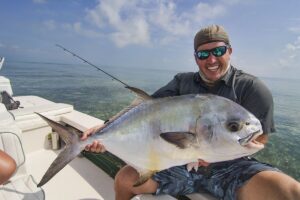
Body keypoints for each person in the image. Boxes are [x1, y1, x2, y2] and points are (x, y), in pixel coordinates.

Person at [82, 25, 300, 200]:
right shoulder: (181, 81)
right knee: (124, 180)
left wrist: (216, 153)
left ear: (230, 51)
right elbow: (144, 107)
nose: (211, 59)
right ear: (196, 57)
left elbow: (260, 138)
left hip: (230, 166)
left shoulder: (252, 88)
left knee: (290, 191)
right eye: (204, 53)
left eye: (218, 51)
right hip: (181, 162)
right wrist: (106, 126)